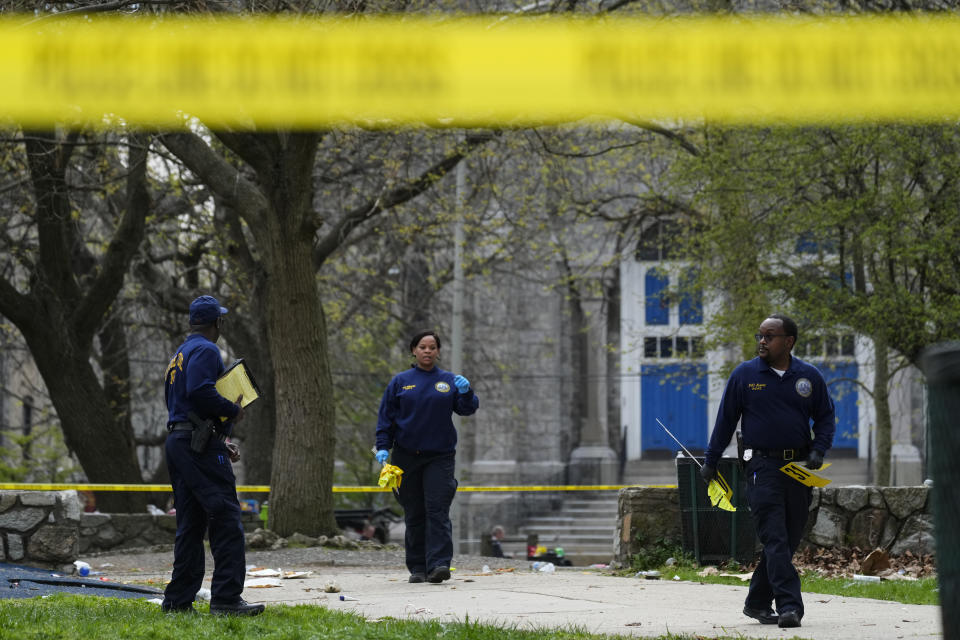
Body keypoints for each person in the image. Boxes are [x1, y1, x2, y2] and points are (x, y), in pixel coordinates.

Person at [701, 313, 835, 629]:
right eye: (760, 335)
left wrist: (819, 449)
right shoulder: (745, 375)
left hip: (799, 468)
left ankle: (757, 602)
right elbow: (725, 421)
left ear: (788, 341)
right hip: (762, 466)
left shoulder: (809, 377)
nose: (762, 341)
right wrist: (711, 460)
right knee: (774, 537)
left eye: (769, 336)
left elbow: (826, 418)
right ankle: (790, 606)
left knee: (786, 541)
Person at [160, 295, 264, 616]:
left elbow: (183, 402)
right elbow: (201, 392)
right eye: (222, 320)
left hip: (181, 441)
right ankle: (226, 599)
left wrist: (221, 440)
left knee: (191, 524)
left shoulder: (181, 352)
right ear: (217, 323)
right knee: (227, 518)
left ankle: (178, 602)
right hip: (197, 445)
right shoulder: (206, 349)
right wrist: (233, 408)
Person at [374, 330, 479, 584]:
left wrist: (466, 393)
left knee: (437, 510)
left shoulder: (449, 381)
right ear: (414, 350)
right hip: (406, 457)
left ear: (438, 351)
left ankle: (439, 564)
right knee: (414, 512)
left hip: (439, 457)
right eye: (423, 347)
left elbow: (467, 409)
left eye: (433, 347)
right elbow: (385, 418)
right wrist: (383, 446)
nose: (428, 351)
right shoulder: (400, 382)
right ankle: (418, 568)